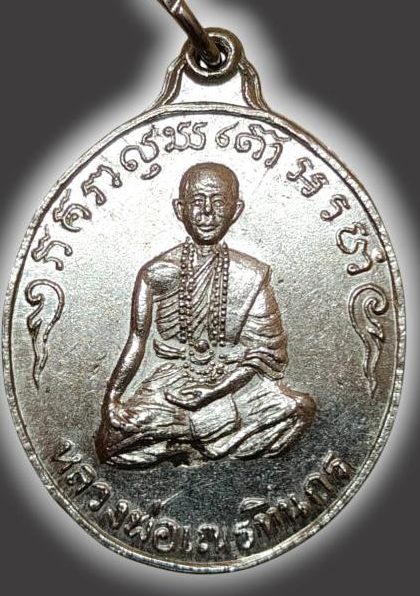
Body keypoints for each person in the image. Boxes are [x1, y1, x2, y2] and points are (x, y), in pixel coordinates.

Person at [95, 162, 315, 467]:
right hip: (173, 384)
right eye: (197, 202)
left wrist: (213, 391)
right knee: (110, 443)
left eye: (218, 202)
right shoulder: (156, 272)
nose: (207, 213)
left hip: (232, 383)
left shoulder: (251, 274)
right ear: (180, 209)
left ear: (236, 210)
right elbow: (137, 339)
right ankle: (202, 436)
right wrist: (113, 397)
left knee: (299, 408)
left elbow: (265, 354)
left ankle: (186, 438)